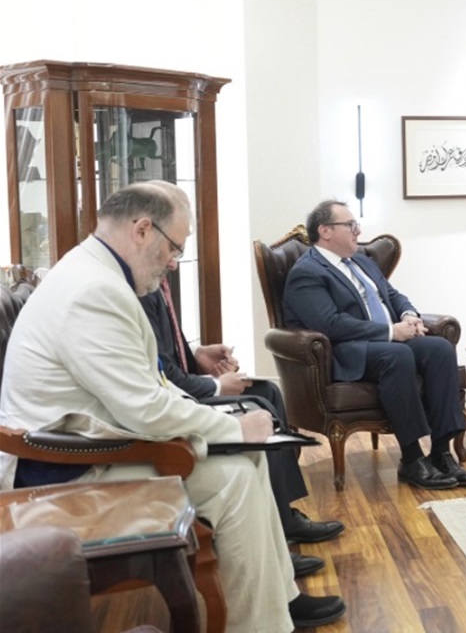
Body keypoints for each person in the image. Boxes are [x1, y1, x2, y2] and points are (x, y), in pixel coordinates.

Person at [0, 181, 345, 630]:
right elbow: (145, 408)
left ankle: (277, 603)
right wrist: (235, 428)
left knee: (249, 461)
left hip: (92, 442)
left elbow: (150, 386)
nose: (173, 262)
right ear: (143, 229)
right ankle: (259, 623)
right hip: (63, 470)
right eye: (174, 248)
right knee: (236, 477)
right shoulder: (94, 291)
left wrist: (222, 421)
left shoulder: (94, 272)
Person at [140, 280, 345, 578]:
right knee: (260, 401)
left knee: (268, 392)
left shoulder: (157, 285)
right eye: (173, 254)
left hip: (183, 388)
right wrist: (216, 385)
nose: (174, 264)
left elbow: (170, 354)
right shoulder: (141, 292)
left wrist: (198, 354)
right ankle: (276, 528)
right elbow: (164, 374)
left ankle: (283, 516)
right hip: (178, 402)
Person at [282, 200, 466, 490]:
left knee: (440, 349)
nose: (358, 231)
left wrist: (408, 315)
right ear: (325, 231)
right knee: (397, 354)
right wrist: (391, 332)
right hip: (348, 350)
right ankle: (412, 459)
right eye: (350, 225)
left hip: (387, 341)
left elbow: (393, 295)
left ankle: (441, 452)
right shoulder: (307, 271)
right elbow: (331, 324)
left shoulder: (362, 261)